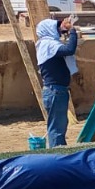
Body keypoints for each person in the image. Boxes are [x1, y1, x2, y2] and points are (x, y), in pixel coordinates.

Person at [36, 14, 79, 148]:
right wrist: (72, 31)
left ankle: (58, 152)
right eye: (56, 27)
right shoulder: (47, 44)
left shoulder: (50, 45)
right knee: (57, 128)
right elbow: (69, 50)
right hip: (55, 91)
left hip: (56, 91)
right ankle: (57, 154)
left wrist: (66, 31)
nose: (58, 30)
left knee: (59, 126)